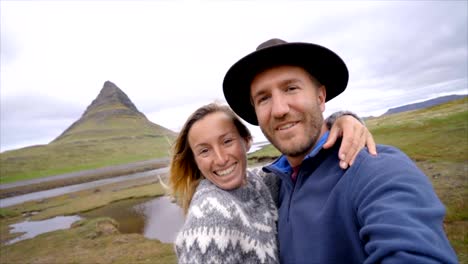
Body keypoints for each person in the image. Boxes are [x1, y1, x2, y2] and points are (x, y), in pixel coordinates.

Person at [222, 38, 458, 263]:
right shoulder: (275, 185)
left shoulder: (376, 169)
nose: (279, 110)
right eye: (263, 98)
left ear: (321, 97)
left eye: (291, 88)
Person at [169, 103, 375, 263]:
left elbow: (296, 163)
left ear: (247, 141)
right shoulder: (208, 218)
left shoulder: (259, 183)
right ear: (195, 160)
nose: (221, 159)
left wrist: (342, 121)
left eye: (227, 141)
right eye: (204, 151)